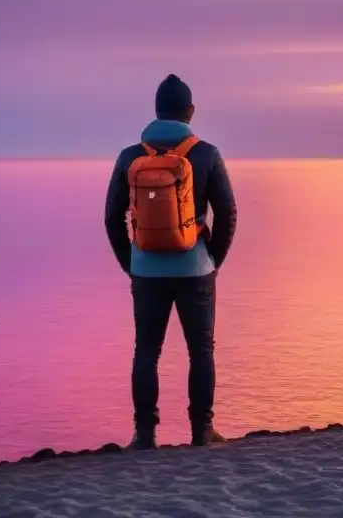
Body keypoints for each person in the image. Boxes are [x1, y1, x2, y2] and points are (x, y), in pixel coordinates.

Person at [104, 74, 238, 449]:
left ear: (156, 111)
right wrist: (213, 259)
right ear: (190, 112)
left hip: (146, 270)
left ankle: (145, 435)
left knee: (146, 349)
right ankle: (202, 431)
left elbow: (111, 217)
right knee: (201, 351)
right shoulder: (207, 154)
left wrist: (131, 262)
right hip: (195, 268)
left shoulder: (131, 156)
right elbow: (227, 213)